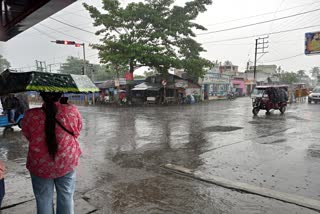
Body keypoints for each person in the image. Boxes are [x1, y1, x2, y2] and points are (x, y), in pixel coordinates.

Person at [21, 92, 82, 214]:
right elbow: (77, 130)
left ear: (41, 95)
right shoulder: (71, 110)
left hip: (39, 164)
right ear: (60, 95)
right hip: (66, 161)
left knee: (43, 199)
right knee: (66, 196)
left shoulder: (30, 115)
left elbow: (28, 135)